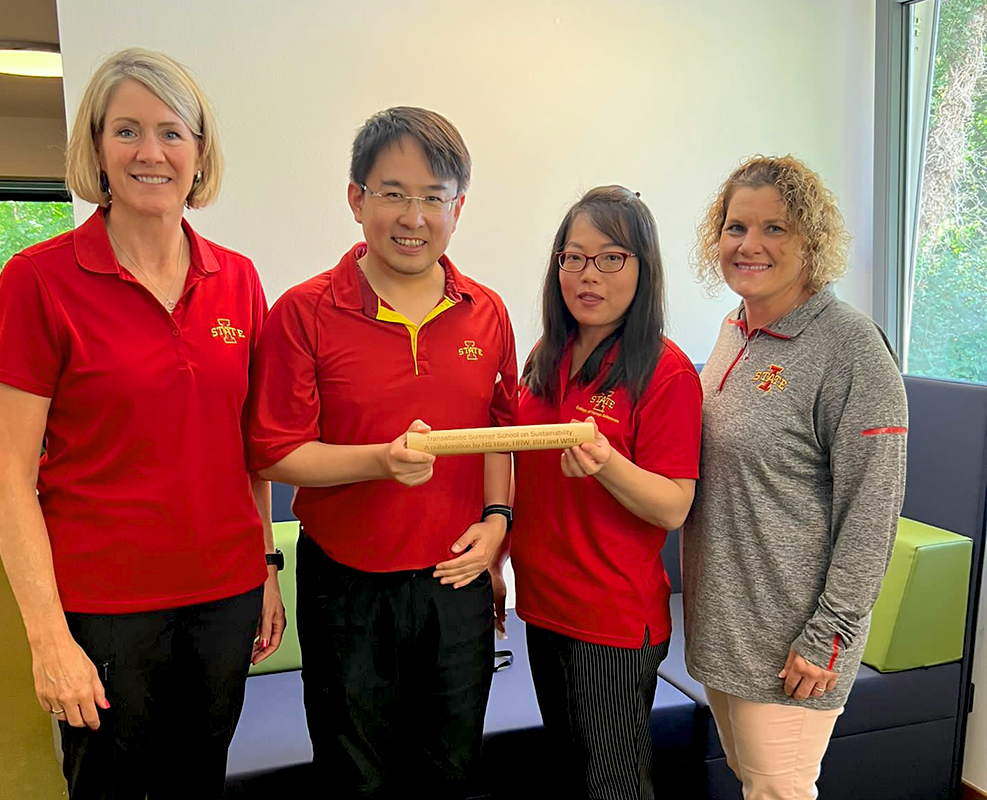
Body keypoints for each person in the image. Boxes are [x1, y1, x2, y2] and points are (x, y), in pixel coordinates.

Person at [0, 48, 285, 799]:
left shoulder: (239, 279)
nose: (151, 152)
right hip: (103, 605)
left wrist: (266, 569)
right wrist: (48, 637)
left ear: (199, 152)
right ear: (95, 149)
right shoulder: (39, 280)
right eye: (127, 131)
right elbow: (7, 475)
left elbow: (248, 451)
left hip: (224, 594)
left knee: (199, 781)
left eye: (171, 132)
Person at [248, 106, 517, 798]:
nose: (414, 215)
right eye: (393, 193)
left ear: (458, 208)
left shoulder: (486, 312)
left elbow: (500, 433)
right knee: (353, 776)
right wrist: (379, 460)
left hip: (455, 583)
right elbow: (275, 452)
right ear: (356, 200)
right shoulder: (303, 312)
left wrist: (497, 523)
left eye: (434, 197)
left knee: (452, 771)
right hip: (346, 584)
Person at [681, 155, 908, 800]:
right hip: (726, 630)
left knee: (780, 793)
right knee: (756, 785)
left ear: (812, 239)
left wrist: (828, 638)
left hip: (795, 646)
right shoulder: (734, 331)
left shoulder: (851, 348)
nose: (749, 245)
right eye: (735, 227)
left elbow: (872, 510)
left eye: (774, 229)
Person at [495, 186, 702, 800]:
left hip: (610, 619)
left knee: (614, 787)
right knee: (568, 772)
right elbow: (516, 466)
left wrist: (606, 461)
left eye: (611, 258)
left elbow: (673, 504)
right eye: (573, 257)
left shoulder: (665, 371)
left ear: (644, 268)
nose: (589, 275)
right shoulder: (545, 356)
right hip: (543, 605)